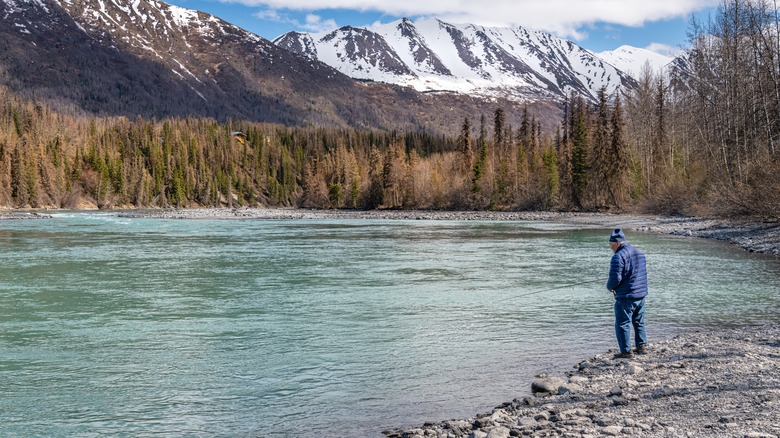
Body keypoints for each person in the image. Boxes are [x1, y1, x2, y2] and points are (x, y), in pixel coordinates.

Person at [606, 228, 648, 358]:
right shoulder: (639, 252)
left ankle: (626, 351)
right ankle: (642, 347)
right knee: (639, 322)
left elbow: (615, 279)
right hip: (640, 294)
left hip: (626, 296)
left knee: (622, 323)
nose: (611, 249)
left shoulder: (618, 256)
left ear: (617, 243)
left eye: (612, 246)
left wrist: (609, 287)